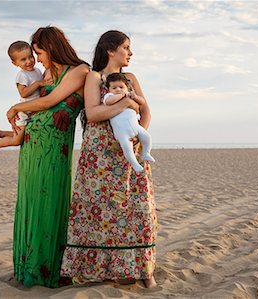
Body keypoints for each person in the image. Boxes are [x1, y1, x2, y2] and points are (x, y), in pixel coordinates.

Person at [61, 30, 158, 288]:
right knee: (101, 209)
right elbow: (93, 113)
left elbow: (146, 109)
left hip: (129, 148)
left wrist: (141, 132)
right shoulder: (94, 77)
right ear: (110, 50)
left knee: (137, 206)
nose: (130, 52)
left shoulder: (131, 78)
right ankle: (103, 268)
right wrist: (126, 104)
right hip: (100, 153)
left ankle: (145, 270)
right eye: (126, 47)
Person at [6, 26, 89, 288]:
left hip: (55, 148)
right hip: (33, 143)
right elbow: (36, 97)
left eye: (39, 53)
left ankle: (50, 269)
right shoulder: (47, 72)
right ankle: (27, 268)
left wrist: (16, 107)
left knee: (51, 202)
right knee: (30, 201)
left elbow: (48, 101)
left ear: (52, 48)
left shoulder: (80, 71)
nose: (37, 59)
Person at [0, 41, 53, 162]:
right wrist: (38, 84)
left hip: (35, 109)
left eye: (30, 56)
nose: (29, 61)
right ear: (14, 63)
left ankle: (0, 133)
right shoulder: (22, 75)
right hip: (25, 110)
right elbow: (24, 93)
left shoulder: (37, 71)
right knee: (17, 140)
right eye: (23, 59)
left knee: (25, 133)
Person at [103, 72, 155, 172]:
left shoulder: (130, 95)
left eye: (121, 87)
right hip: (121, 131)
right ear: (109, 89)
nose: (118, 89)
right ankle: (134, 163)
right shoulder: (109, 96)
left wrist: (134, 97)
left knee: (147, 137)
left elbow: (142, 102)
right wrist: (122, 95)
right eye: (114, 88)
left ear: (127, 87)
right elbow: (109, 102)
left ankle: (146, 153)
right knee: (127, 147)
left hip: (136, 126)